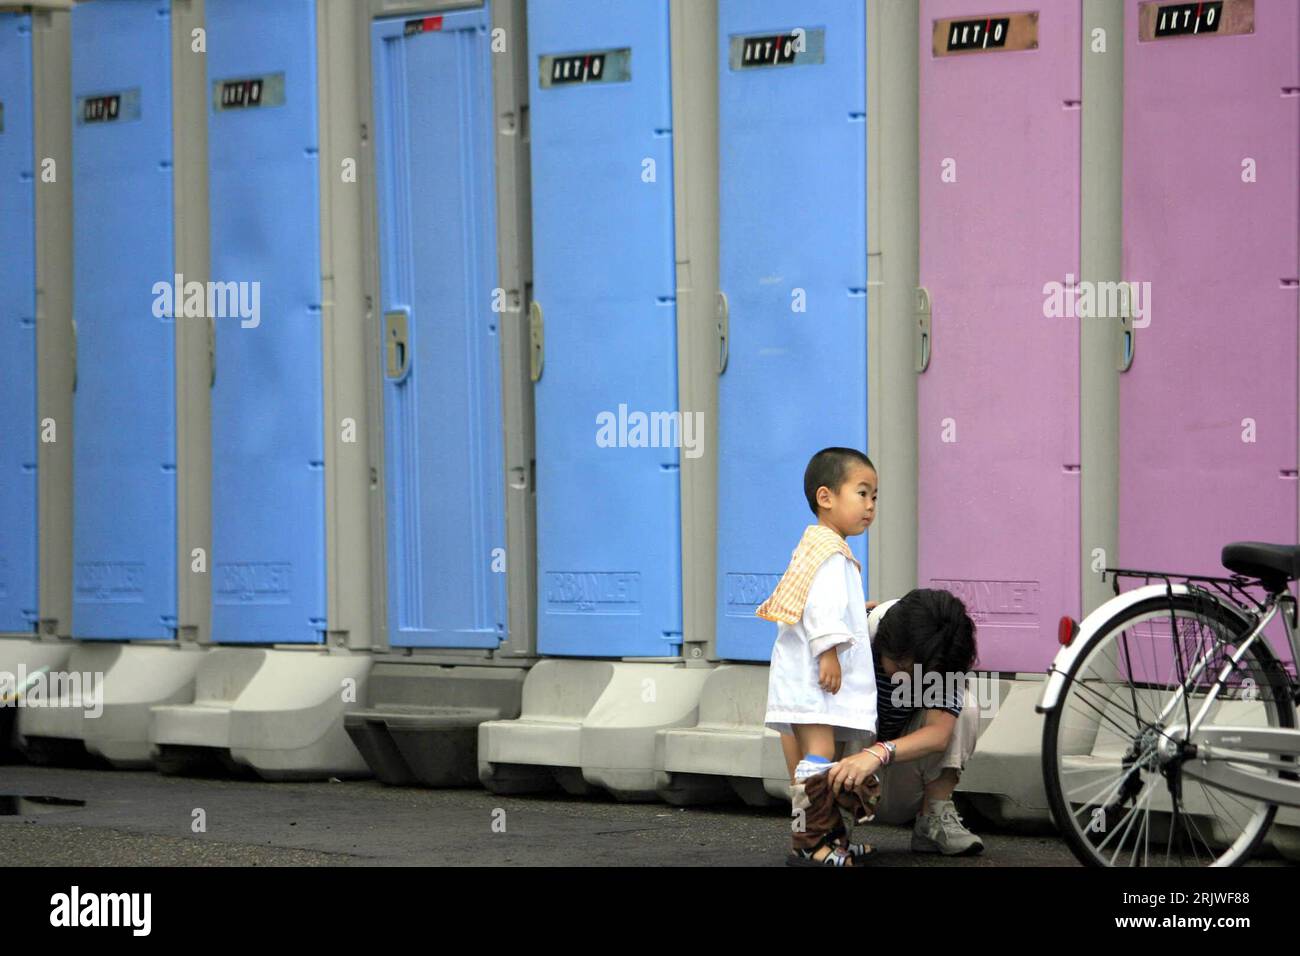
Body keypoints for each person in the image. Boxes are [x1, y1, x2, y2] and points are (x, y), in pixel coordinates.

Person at [758, 447, 880, 866]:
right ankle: (810, 844)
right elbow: (819, 609)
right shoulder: (828, 553)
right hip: (813, 676)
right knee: (819, 757)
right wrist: (827, 651)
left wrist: (856, 610)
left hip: (810, 678)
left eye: (874, 497)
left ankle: (831, 837)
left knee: (822, 761)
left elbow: (825, 604)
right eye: (861, 493)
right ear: (826, 497)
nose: (869, 505)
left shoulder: (824, 547)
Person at [828, 588, 985, 856]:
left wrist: (879, 752)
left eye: (918, 673)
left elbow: (939, 733)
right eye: (900, 667)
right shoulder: (855, 634)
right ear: (884, 642)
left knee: (967, 706)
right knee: (830, 691)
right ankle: (829, 826)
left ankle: (933, 820)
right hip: (842, 772)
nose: (907, 680)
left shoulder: (943, 653)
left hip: (898, 773)